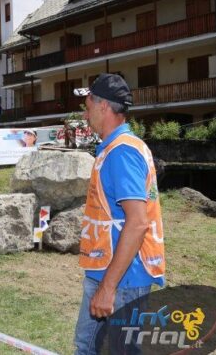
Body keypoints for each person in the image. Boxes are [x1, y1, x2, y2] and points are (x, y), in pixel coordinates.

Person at [72, 74, 165, 354]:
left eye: (87, 107)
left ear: (103, 107)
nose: (85, 114)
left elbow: (137, 223)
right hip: (107, 271)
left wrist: (108, 288)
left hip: (122, 278)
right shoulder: (116, 147)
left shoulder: (122, 152)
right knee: (86, 348)